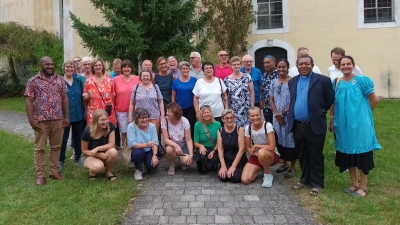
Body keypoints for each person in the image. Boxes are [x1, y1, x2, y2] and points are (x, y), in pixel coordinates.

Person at [330, 56, 380, 197]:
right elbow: (333, 103)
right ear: (339, 67)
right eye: (343, 64)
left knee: (362, 155)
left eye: (348, 64)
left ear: (353, 65)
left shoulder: (362, 81)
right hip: (343, 125)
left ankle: (363, 186)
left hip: (360, 125)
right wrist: (332, 120)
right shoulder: (336, 82)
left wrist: (364, 114)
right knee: (348, 155)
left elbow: (374, 99)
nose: (345, 66)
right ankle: (354, 184)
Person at [287, 55, 335, 196]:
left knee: (315, 154)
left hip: (314, 124)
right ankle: (304, 180)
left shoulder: (323, 80)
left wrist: (318, 112)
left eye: (307, 64)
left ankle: (317, 184)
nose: (304, 66)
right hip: (297, 125)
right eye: (301, 64)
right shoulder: (292, 81)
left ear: (312, 65)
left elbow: (329, 99)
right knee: (302, 154)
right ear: (297, 66)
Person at [25, 56, 69, 186]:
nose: (50, 66)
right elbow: (29, 101)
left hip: (57, 119)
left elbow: (64, 98)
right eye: (47, 64)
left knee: (56, 147)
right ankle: (41, 175)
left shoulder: (60, 80)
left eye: (52, 64)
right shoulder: (33, 81)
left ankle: (54, 172)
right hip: (40, 120)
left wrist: (67, 116)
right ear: (41, 65)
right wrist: (31, 120)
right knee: (40, 148)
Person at [269, 59, 297, 178]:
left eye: (283, 67)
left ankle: (292, 167)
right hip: (276, 117)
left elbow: (295, 99)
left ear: (288, 67)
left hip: (289, 115)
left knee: (291, 139)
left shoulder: (293, 81)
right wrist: (276, 114)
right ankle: (284, 163)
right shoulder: (274, 82)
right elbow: (271, 98)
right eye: (279, 67)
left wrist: (284, 113)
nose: (281, 69)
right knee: (280, 139)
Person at [241, 107, 280, 188]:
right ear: (249, 117)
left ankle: (267, 174)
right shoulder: (248, 128)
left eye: (257, 115)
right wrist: (253, 152)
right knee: (245, 180)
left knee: (262, 153)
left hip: (271, 154)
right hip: (257, 155)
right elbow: (247, 147)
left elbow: (272, 147)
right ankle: (261, 167)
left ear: (261, 115)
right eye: (252, 116)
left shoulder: (267, 125)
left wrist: (255, 146)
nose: (255, 118)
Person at [59, 61, 86, 171]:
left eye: (71, 67)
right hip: (64, 115)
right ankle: (60, 160)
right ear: (64, 68)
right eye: (67, 67)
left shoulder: (78, 81)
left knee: (78, 137)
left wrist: (85, 111)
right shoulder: (59, 81)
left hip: (78, 113)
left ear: (74, 69)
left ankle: (78, 157)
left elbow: (83, 97)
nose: (69, 69)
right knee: (63, 138)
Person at [80, 109, 118, 181]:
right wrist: (97, 154)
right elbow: (84, 150)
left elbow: (111, 144)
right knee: (97, 167)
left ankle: (108, 172)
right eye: (102, 120)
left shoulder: (110, 126)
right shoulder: (87, 131)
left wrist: (97, 148)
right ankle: (93, 172)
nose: (105, 122)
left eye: (106, 119)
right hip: (89, 155)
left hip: (105, 153)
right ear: (96, 121)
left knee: (113, 151)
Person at [161, 103, 194, 175]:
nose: (167, 113)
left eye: (170, 112)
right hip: (172, 144)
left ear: (176, 113)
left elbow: (188, 140)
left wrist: (191, 155)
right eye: (167, 111)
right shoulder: (164, 121)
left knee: (186, 163)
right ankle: (172, 164)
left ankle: (182, 159)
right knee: (168, 149)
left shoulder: (185, 121)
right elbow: (166, 139)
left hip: (183, 143)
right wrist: (176, 146)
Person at [83, 58, 117, 126]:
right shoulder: (88, 81)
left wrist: (113, 109)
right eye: (96, 65)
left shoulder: (109, 79)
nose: (98, 67)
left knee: (108, 131)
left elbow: (113, 96)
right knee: (95, 133)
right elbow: (84, 98)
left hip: (107, 111)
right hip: (94, 112)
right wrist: (88, 96)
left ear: (102, 66)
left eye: (99, 65)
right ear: (93, 67)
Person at [128, 69, 164, 135]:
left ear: (150, 77)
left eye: (147, 76)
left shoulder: (156, 87)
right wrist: (130, 117)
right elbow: (132, 103)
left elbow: (160, 102)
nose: (145, 77)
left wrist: (162, 115)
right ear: (140, 77)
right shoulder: (136, 88)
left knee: (154, 136)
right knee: (141, 136)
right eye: (143, 76)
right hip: (140, 117)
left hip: (154, 116)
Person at [127, 108, 159, 180]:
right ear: (136, 118)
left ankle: (145, 164)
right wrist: (146, 145)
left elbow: (155, 142)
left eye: (146, 117)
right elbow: (132, 144)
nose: (144, 120)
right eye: (141, 118)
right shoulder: (131, 126)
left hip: (149, 150)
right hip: (138, 149)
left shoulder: (152, 126)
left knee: (152, 167)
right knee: (137, 153)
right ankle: (138, 170)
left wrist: (155, 156)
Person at [114, 60, 141, 145]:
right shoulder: (116, 80)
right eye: (124, 67)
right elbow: (112, 95)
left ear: (131, 68)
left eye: (128, 67)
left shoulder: (137, 79)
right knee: (124, 131)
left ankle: (136, 149)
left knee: (136, 130)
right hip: (121, 109)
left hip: (135, 110)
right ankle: (126, 150)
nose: (126, 69)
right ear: (121, 69)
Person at [217, 109, 247, 183]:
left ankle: (241, 169)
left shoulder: (239, 129)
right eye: (227, 118)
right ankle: (222, 167)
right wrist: (223, 166)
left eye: (231, 117)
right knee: (223, 177)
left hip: (239, 160)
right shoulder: (220, 130)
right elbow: (220, 149)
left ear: (234, 118)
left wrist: (233, 167)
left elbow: (242, 149)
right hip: (227, 160)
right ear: (223, 119)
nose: (229, 120)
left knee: (234, 178)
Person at [224, 56, 255, 127]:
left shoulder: (247, 77)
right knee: (235, 129)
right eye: (234, 65)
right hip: (233, 109)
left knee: (247, 129)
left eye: (238, 64)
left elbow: (252, 92)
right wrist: (227, 109)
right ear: (231, 66)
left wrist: (252, 107)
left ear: (241, 65)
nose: (236, 66)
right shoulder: (227, 80)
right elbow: (226, 96)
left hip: (246, 108)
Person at [171, 61, 197, 137]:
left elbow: (197, 95)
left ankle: (191, 143)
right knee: (180, 126)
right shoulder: (176, 82)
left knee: (191, 125)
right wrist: (174, 108)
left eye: (187, 68)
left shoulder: (194, 80)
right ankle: (182, 143)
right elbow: (173, 96)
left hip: (191, 107)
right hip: (179, 108)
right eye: (183, 69)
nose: (185, 70)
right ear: (180, 70)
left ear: (189, 69)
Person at [194, 105, 221, 174]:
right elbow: (196, 142)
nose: (206, 114)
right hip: (203, 148)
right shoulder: (197, 124)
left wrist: (214, 151)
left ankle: (214, 164)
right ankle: (203, 165)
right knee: (201, 153)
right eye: (204, 113)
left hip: (214, 148)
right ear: (201, 114)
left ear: (211, 113)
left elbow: (219, 141)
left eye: (208, 112)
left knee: (215, 159)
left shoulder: (217, 124)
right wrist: (200, 146)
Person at [260, 55, 278, 124]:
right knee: (269, 128)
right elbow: (263, 90)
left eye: (268, 62)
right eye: (264, 63)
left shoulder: (279, 74)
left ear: (274, 62)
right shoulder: (264, 75)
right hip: (266, 108)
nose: (265, 65)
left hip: (277, 107)